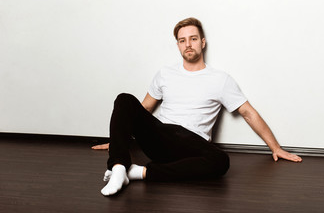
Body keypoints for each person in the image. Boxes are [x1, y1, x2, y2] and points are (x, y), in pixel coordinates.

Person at [94, 17, 302, 196]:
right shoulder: (165, 74)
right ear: (178, 45)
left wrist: (275, 148)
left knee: (221, 161)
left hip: (192, 144)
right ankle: (119, 168)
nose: (188, 44)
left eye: (193, 39)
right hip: (161, 136)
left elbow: (247, 112)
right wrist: (117, 141)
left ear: (202, 43)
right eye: (182, 40)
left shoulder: (220, 79)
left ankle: (137, 173)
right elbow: (143, 110)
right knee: (124, 99)